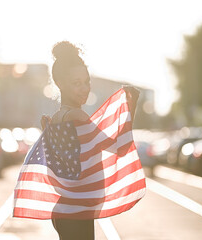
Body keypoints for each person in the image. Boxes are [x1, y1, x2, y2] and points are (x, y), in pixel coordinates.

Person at [40, 41, 139, 240]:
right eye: (77, 83)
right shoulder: (77, 116)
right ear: (60, 83)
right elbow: (119, 147)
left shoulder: (57, 117)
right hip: (76, 212)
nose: (84, 88)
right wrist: (131, 105)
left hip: (67, 208)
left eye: (87, 82)